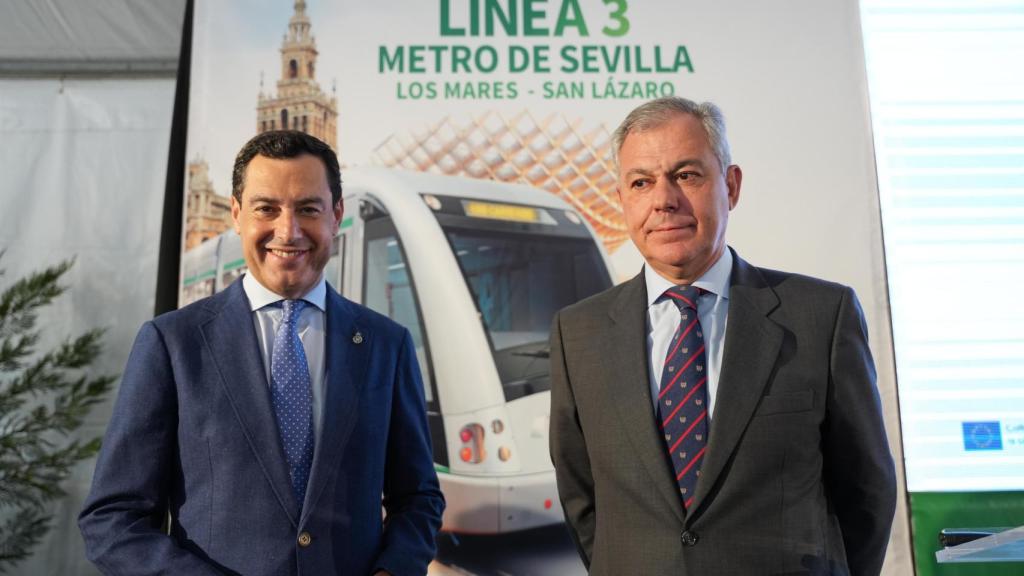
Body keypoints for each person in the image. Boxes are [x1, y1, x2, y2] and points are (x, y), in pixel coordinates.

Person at [549, 97, 896, 575]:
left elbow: (867, 491)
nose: (663, 199)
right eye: (641, 182)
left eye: (687, 175)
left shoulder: (822, 315)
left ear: (730, 186)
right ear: (623, 198)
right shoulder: (578, 333)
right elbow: (580, 497)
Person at [80, 130, 444, 576]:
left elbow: (419, 498)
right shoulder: (172, 344)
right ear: (236, 214)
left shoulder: (387, 345)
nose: (287, 231)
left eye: (308, 208)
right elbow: (113, 519)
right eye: (266, 208)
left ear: (336, 215)